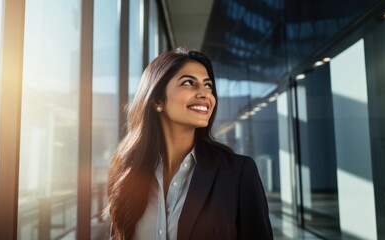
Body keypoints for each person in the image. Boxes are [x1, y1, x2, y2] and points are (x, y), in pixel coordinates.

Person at [105, 48, 273, 240]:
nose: (205, 94)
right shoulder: (126, 171)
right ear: (157, 100)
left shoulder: (238, 173)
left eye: (208, 85)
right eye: (188, 83)